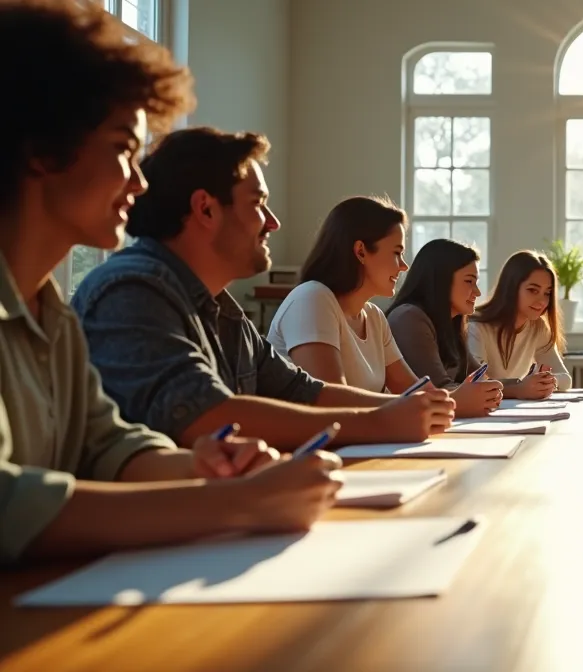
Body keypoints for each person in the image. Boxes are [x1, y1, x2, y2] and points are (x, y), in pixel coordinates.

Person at [0, 0, 339, 564]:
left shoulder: (49, 311)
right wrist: (235, 504)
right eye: (122, 151)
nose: (138, 183)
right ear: (41, 150)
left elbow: (107, 446)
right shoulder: (122, 289)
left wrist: (202, 464)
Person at [72, 128, 455, 450]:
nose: (272, 223)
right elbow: (207, 415)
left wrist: (401, 409)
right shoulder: (133, 290)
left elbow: (304, 391)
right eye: (258, 204)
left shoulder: (221, 309)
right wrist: (383, 421)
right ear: (206, 209)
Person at [266, 196, 435, 395]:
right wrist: (419, 404)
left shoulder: (374, 316)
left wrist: (452, 400)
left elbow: (414, 391)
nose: (404, 266)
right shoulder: (312, 298)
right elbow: (333, 401)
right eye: (397, 253)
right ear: (361, 251)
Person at [387, 239, 504, 416]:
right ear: (441, 280)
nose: (478, 292)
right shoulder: (408, 318)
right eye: (469, 281)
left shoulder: (453, 322)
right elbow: (437, 388)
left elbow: (479, 379)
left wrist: (516, 386)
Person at [467, 250, 573, 399]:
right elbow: (477, 383)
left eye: (547, 293)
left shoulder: (538, 327)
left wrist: (550, 382)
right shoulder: (476, 327)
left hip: (511, 411)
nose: (542, 301)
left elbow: (566, 379)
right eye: (532, 290)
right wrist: (519, 388)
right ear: (511, 288)